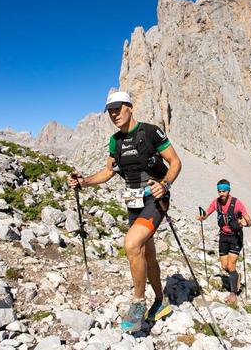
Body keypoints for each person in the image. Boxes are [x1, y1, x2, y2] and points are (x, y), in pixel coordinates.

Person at [68, 90, 182, 332]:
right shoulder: (114, 141)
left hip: (155, 199)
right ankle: (160, 302)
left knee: (131, 244)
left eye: (118, 108)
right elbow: (108, 172)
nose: (114, 114)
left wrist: (165, 185)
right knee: (146, 254)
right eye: (110, 110)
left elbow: (175, 162)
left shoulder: (151, 131)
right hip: (133, 202)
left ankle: (138, 303)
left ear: (130, 107)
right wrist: (84, 182)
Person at [197, 179, 251, 303]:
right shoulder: (216, 203)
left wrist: (245, 223)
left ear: (228, 190)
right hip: (223, 236)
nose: (221, 194)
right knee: (224, 266)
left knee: (230, 265)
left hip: (235, 237)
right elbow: (207, 213)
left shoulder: (237, 203)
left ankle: (233, 293)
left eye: (224, 191)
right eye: (219, 191)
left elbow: (250, 221)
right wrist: (202, 216)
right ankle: (235, 276)